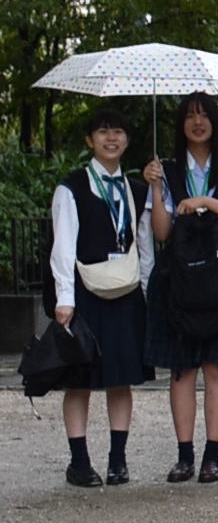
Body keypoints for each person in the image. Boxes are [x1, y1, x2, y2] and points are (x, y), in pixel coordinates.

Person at [143, 92, 218, 485]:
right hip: (178, 278)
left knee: (216, 367)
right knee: (182, 369)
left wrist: (206, 202)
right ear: (180, 124)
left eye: (204, 114)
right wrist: (158, 190)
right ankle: (184, 455)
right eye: (190, 115)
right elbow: (161, 231)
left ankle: (213, 454)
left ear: (215, 120)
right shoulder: (167, 169)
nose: (197, 122)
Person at [42, 106, 154, 487]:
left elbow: (146, 245)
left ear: (127, 140)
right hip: (83, 294)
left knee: (121, 378)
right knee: (80, 380)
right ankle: (79, 462)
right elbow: (62, 247)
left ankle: (118, 461)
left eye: (118, 131)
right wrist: (64, 299)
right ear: (90, 140)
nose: (111, 138)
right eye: (103, 131)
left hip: (125, 294)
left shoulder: (138, 189)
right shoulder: (71, 187)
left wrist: (148, 290)